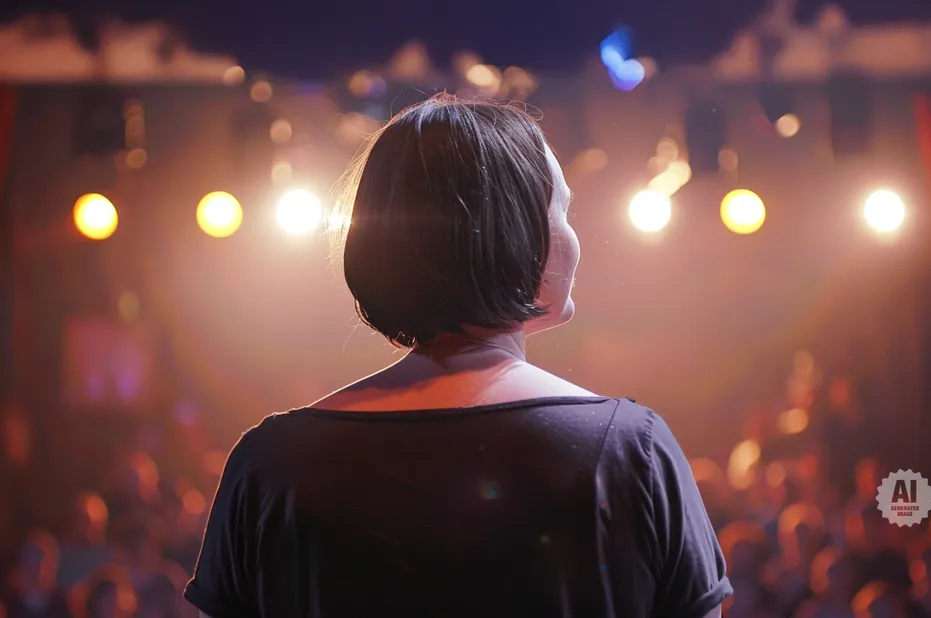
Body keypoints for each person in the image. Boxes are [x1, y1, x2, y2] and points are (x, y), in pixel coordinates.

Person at [184, 93, 731, 617]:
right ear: (518, 237)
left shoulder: (270, 463)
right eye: (562, 210)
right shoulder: (631, 450)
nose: (574, 235)